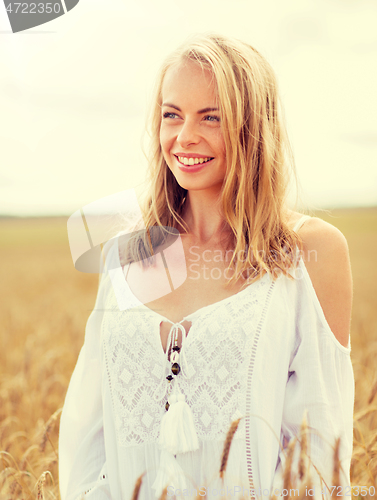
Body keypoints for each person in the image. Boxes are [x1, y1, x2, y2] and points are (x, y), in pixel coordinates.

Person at [58, 33, 354, 500]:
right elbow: (84, 440)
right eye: (171, 115)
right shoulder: (122, 254)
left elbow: (318, 454)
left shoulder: (310, 253)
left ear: (253, 127)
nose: (184, 137)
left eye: (211, 117)